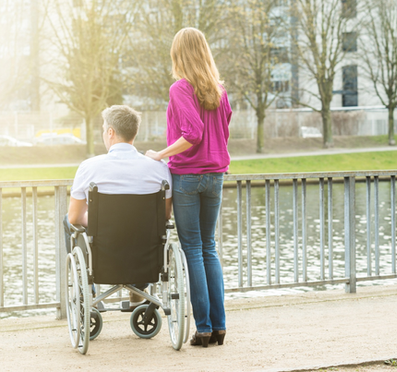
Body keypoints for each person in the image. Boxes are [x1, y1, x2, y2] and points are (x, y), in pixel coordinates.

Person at [145, 27, 232, 347]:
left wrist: (160, 154)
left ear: (178, 55)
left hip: (188, 176)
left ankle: (204, 328)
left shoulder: (181, 88)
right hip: (216, 175)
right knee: (209, 248)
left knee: (193, 249)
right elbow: (222, 129)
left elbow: (193, 133)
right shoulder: (219, 90)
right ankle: (219, 327)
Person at [64, 104, 172, 309]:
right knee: (150, 229)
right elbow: (165, 215)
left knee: (67, 221)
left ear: (111, 132)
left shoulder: (89, 167)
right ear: (135, 132)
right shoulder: (158, 168)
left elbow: (75, 218)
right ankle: (138, 290)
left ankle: (89, 293)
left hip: (106, 253)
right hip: (144, 255)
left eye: (104, 129)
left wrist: (99, 220)